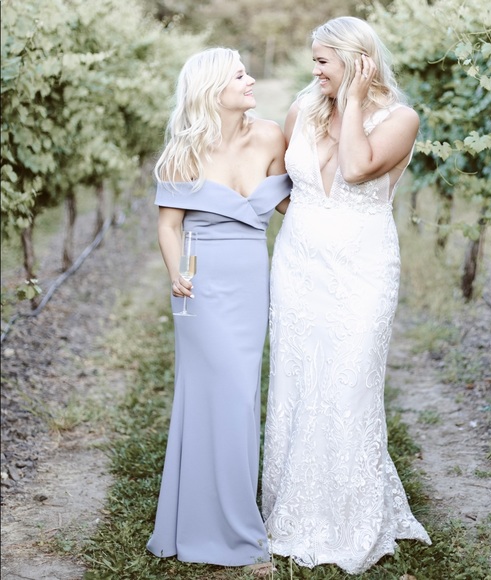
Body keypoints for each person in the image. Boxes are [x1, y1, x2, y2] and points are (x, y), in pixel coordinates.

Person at [261, 16, 431, 575]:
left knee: (350, 382)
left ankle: (351, 519)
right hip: (299, 266)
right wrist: (307, 220)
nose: (314, 71)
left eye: (323, 61)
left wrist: (354, 100)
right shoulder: (302, 110)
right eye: (313, 60)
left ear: (358, 62)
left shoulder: (400, 119)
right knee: (299, 379)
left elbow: (357, 168)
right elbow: (282, 185)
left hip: (363, 268)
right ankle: (294, 509)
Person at [146, 47, 290, 576]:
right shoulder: (183, 153)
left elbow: (289, 205)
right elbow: (168, 226)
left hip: (251, 284)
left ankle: (219, 517)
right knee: (220, 393)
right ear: (212, 90)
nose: (250, 81)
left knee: (241, 394)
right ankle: (232, 532)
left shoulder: (271, 136)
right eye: (240, 75)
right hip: (199, 284)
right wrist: (175, 274)